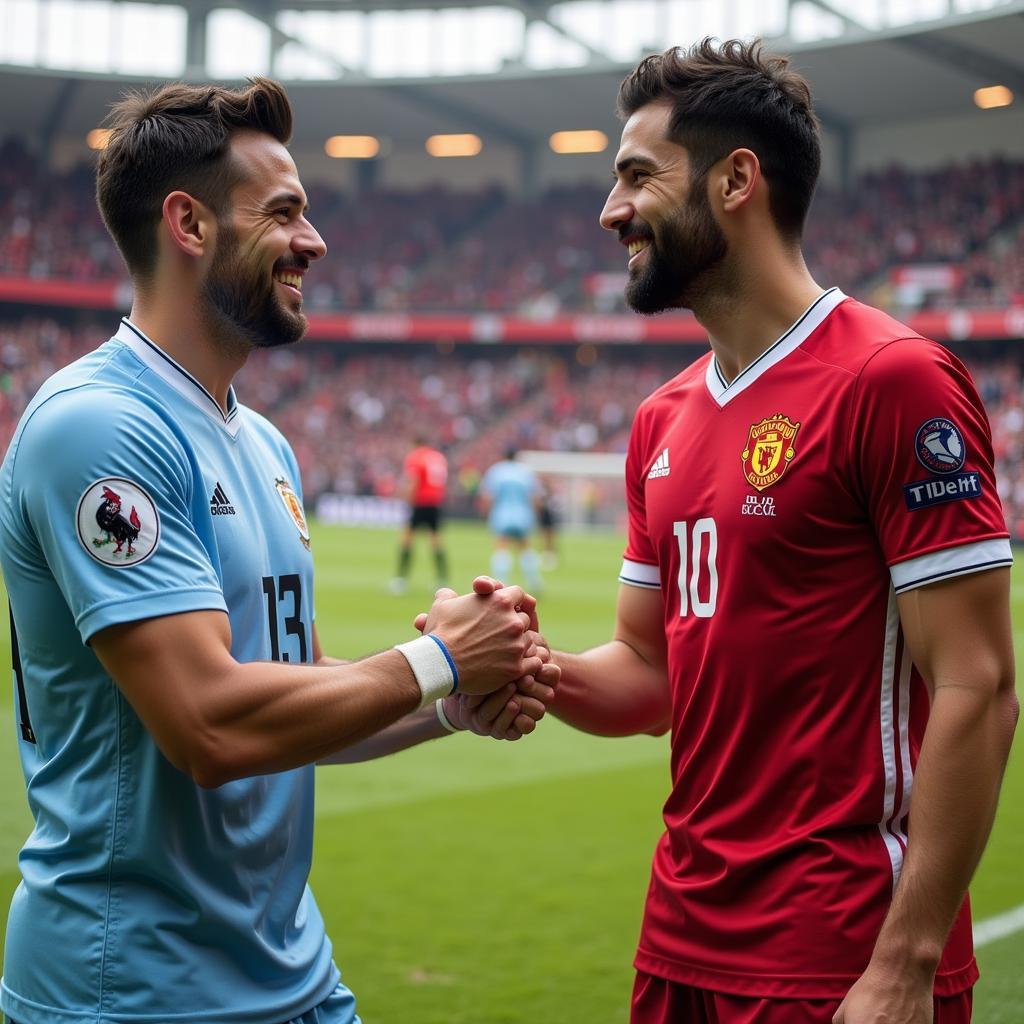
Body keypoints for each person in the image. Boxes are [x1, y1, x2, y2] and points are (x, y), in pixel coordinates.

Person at [0, 79, 556, 1024]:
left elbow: (282, 691)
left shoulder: (262, 441)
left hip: (290, 973)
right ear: (189, 224)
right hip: (134, 990)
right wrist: (438, 656)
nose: (316, 240)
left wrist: (449, 704)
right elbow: (212, 725)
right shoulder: (99, 427)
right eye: (286, 211)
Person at [521, 39, 1018, 1024]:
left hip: (836, 952)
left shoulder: (891, 379)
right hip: (679, 937)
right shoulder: (659, 419)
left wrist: (906, 960)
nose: (609, 211)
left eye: (634, 176)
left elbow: (978, 682)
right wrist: (521, 664)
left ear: (735, 179)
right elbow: (645, 672)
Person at [389, 434, 449, 594]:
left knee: (407, 539)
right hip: (435, 502)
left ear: (415, 443)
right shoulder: (438, 457)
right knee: (436, 541)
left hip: (420, 501)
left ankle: (400, 580)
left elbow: (413, 480)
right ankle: (442, 579)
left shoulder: (416, 457)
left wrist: (407, 499)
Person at [478, 447, 543, 592]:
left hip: (502, 514)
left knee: (501, 546)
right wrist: (537, 514)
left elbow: (488, 496)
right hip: (523, 515)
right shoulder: (525, 472)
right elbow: (535, 496)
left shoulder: (496, 471)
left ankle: (501, 583)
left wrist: (487, 513)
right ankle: (535, 582)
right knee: (525, 547)